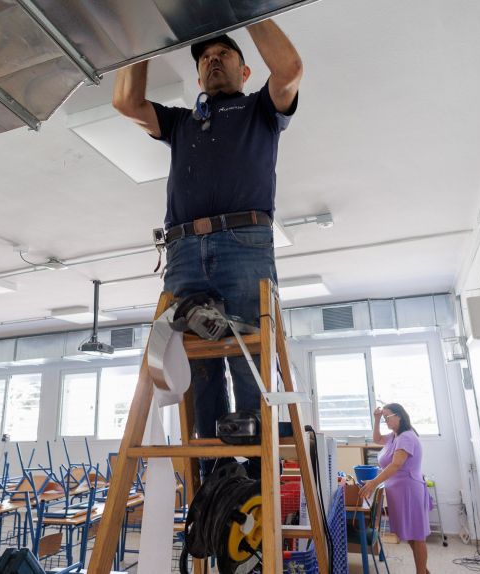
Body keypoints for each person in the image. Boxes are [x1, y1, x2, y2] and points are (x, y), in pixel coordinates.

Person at [112, 22, 302, 452]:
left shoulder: (261, 110)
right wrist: (139, 41)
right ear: (198, 79)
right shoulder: (181, 122)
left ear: (246, 71)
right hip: (182, 251)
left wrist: (245, 12)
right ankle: (213, 490)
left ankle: (253, 493)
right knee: (196, 369)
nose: (213, 60)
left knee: (247, 360)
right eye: (205, 58)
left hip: (243, 244)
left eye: (224, 54)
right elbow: (126, 102)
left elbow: (289, 69)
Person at [361, 403, 432, 574]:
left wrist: (373, 482)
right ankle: (424, 571)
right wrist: (376, 419)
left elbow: (396, 465)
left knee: (417, 536)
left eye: (387, 417)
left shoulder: (406, 437)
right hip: (400, 492)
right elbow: (377, 439)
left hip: (409, 491)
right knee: (411, 537)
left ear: (399, 416)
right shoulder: (395, 436)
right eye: (383, 417)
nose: (385, 420)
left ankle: (421, 572)